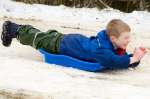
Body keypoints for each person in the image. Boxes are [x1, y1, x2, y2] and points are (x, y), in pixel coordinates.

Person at [1, 19, 147, 70]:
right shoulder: (102, 50)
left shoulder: (111, 45)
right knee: (38, 39)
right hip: (63, 44)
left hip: (72, 41)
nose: (129, 40)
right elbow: (113, 61)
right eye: (126, 38)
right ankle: (13, 28)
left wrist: (135, 58)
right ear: (114, 39)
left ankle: (20, 28)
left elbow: (119, 61)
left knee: (44, 36)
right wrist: (132, 59)